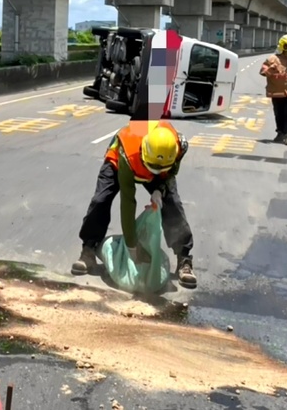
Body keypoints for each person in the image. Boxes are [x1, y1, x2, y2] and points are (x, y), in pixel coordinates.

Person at [71, 120, 197, 289]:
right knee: (101, 200)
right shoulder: (128, 155)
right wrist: (132, 245)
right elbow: (128, 202)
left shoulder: (178, 146)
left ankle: (184, 259)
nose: (155, 172)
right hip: (119, 163)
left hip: (157, 163)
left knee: (172, 203)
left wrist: (159, 190)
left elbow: (171, 172)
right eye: (152, 168)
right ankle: (88, 250)